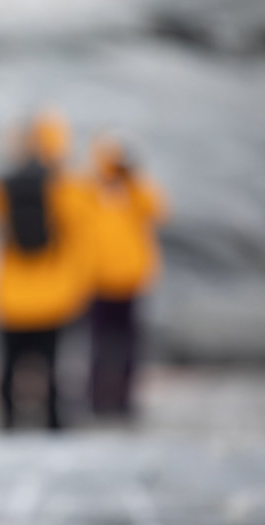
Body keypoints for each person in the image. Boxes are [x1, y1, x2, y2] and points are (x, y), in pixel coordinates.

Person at [0, 110, 92, 430]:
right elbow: (82, 228)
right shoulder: (68, 187)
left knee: (8, 369)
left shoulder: (3, 185)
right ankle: (55, 428)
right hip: (54, 296)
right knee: (53, 369)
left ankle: (6, 427)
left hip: (10, 296)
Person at [85, 134, 167, 418]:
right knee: (97, 345)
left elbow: (159, 210)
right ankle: (96, 400)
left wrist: (133, 180)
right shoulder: (88, 190)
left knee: (128, 347)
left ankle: (124, 401)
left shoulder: (135, 191)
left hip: (130, 282)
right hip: (96, 282)